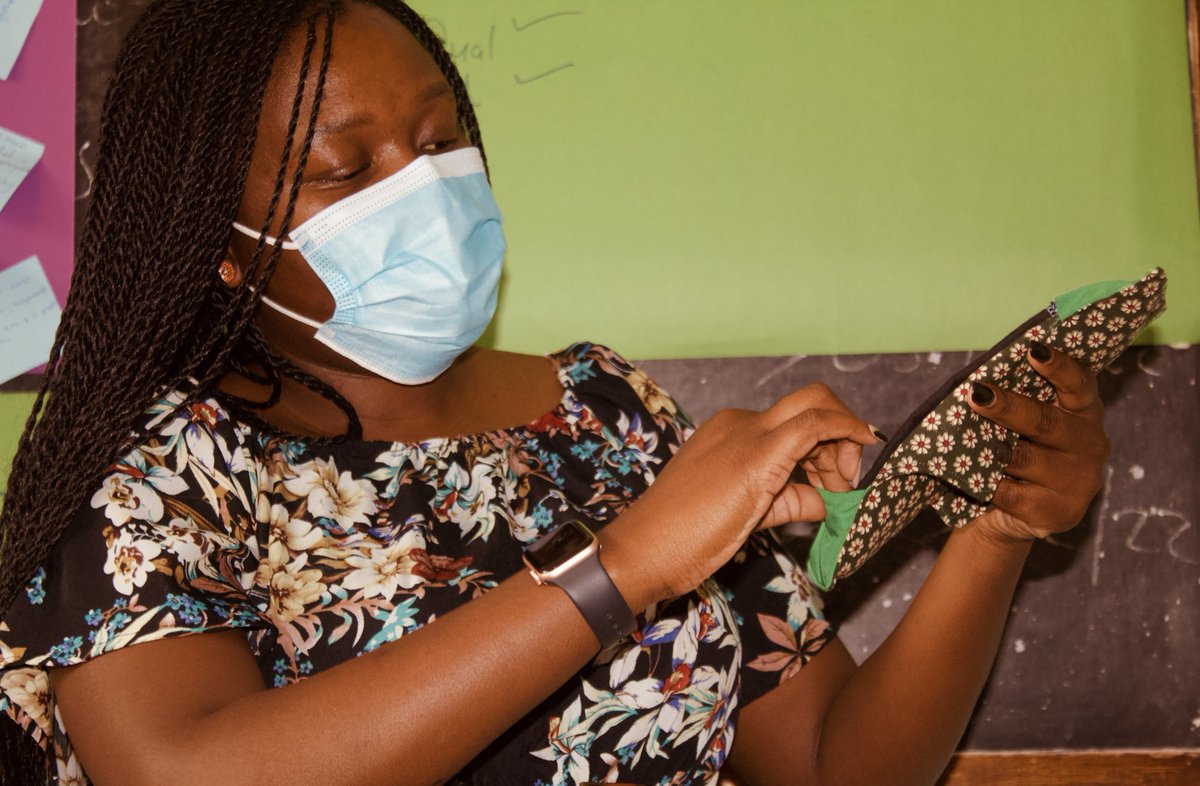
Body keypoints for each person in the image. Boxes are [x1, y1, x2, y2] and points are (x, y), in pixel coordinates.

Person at [0, 2, 1110, 784]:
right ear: (224, 245)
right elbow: (186, 773)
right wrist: (622, 563)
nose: (425, 184)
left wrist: (993, 527)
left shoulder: (607, 413)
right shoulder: (155, 470)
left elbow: (832, 765)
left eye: (441, 139)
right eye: (347, 167)